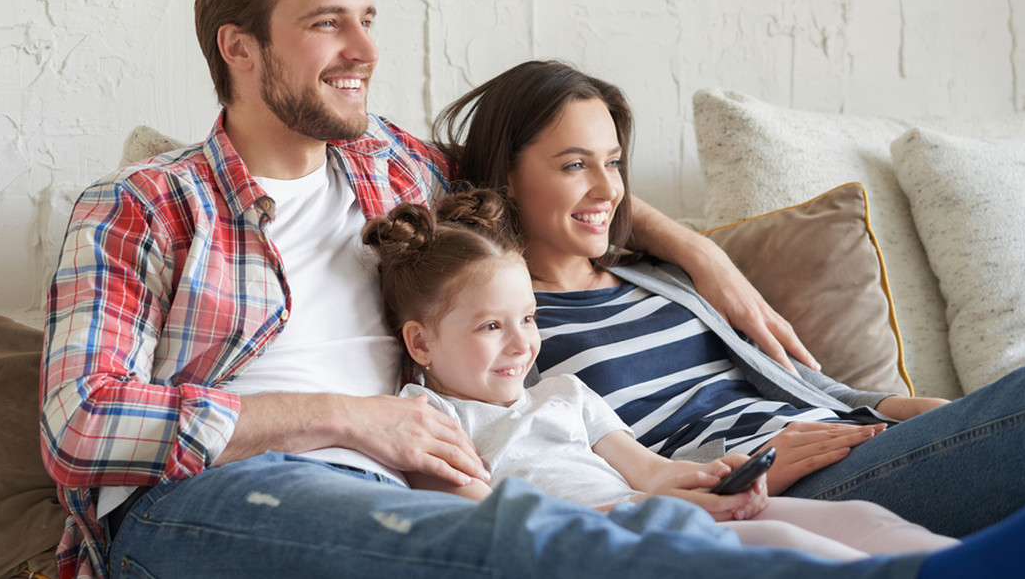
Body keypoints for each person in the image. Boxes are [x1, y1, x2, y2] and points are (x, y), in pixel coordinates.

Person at [40, 0, 922, 579]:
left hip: (411, 486)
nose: (365, 49)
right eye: (326, 25)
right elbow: (80, 423)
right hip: (206, 507)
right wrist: (347, 417)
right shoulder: (142, 208)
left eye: (366, 18)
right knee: (514, 540)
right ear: (239, 48)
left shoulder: (392, 167)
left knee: (590, 526)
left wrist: (694, 248)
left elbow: (552, 174)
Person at [435, 59, 1025, 538]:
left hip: (847, 437)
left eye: (612, 162)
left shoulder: (654, 275)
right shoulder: (502, 325)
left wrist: (917, 410)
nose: (609, 189)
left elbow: (805, 386)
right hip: (769, 487)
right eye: (573, 163)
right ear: (507, 175)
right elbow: (546, 462)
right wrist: (730, 470)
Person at [362, 188, 959, 560]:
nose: (522, 344)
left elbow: (653, 471)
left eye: (527, 318)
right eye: (491, 327)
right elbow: (485, 525)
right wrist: (657, 509)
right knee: (788, 547)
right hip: (607, 543)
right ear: (421, 343)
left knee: (858, 520)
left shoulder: (564, 392)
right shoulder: (430, 422)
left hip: (655, 512)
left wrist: (715, 478)